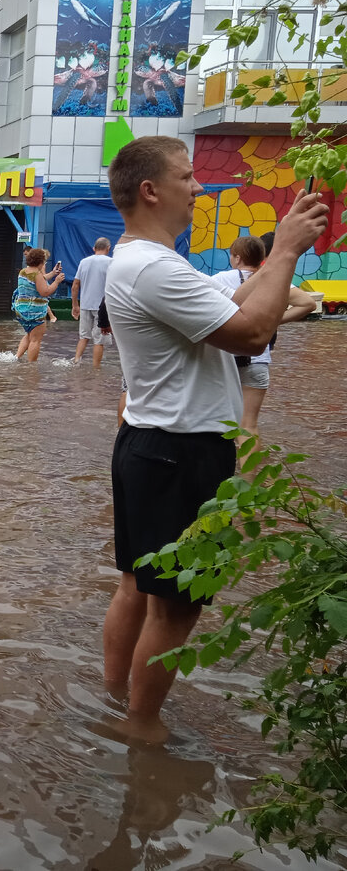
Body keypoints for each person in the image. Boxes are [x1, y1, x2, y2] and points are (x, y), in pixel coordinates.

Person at [101, 136, 327, 741]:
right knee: (177, 607)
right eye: (187, 177)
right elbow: (252, 334)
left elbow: (226, 307)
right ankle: (142, 728)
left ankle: (115, 700)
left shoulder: (139, 262)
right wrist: (283, 250)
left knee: (135, 585)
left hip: (147, 441)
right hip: (184, 449)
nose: (199, 188)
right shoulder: (155, 266)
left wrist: (275, 262)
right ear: (151, 190)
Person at [210, 235, 315, 435]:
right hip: (257, 361)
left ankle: (221, 465)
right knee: (248, 425)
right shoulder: (274, 281)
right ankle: (250, 467)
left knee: (216, 423)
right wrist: (273, 321)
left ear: (238, 258)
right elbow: (308, 304)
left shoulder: (220, 280)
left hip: (224, 361)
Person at [12, 248, 65, 361]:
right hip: (35, 312)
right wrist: (56, 281)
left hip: (22, 310)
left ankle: (16, 358)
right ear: (40, 262)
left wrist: (53, 273)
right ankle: (32, 367)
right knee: (35, 339)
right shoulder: (37, 274)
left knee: (29, 335)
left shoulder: (23, 272)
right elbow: (45, 292)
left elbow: (38, 280)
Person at [71, 237, 114, 367]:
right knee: (99, 340)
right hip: (103, 307)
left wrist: (75, 305)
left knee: (83, 337)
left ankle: (76, 361)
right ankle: (96, 370)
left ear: (94, 248)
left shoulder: (83, 262)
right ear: (108, 248)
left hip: (85, 305)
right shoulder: (112, 262)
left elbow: (75, 285)